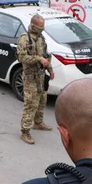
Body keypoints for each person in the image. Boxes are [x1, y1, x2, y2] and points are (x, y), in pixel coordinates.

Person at [16, 14, 55, 145]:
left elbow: (45, 55)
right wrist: (38, 59)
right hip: (30, 77)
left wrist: (50, 69)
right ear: (33, 26)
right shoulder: (24, 39)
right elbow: (22, 58)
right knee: (30, 104)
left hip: (41, 75)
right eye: (40, 27)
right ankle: (25, 131)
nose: (42, 30)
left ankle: (38, 123)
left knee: (42, 100)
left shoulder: (41, 38)